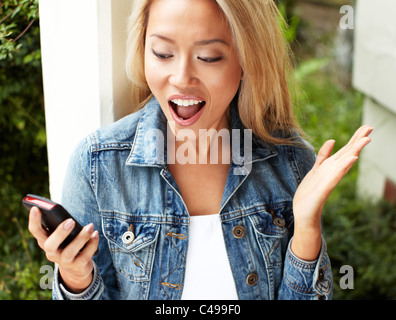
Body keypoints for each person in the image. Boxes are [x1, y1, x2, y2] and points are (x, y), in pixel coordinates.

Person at [28, 0, 372, 300]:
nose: (181, 77)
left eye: (208, 57)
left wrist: (307, 228)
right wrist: (74, 278)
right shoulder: (97, 165)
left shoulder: (292, 164)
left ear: (245, 61)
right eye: (162, 53)